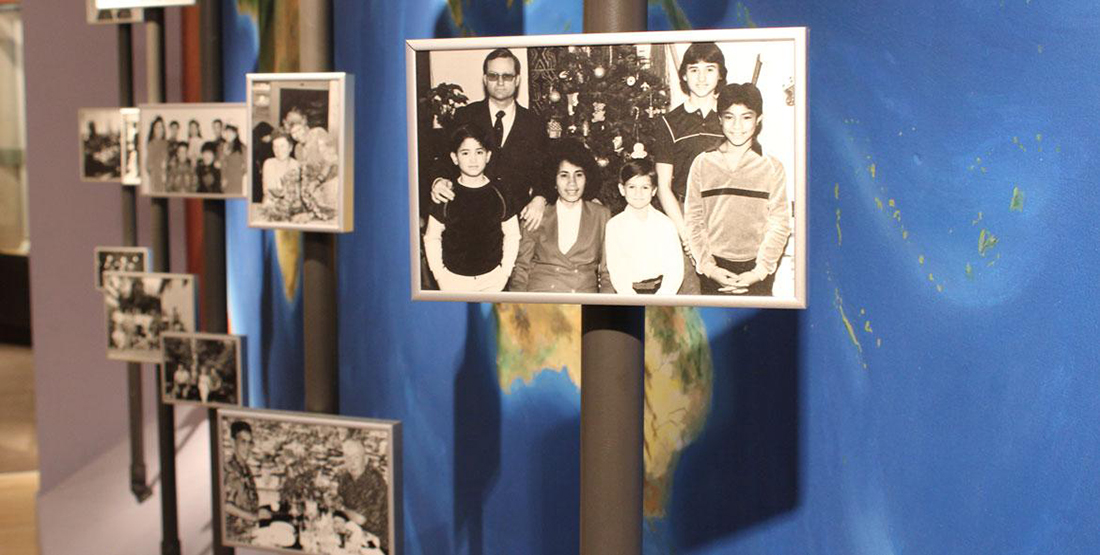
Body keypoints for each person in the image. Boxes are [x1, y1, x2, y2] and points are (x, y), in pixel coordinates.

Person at [684, 82, 791, 296]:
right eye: (730, 117)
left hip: (757, 273)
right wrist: (709, 267)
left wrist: (759, 272)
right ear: (720, 119)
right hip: (714, 271)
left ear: (758, 119)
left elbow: (779, 224)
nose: (737, 126)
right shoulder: (702, 163)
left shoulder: (772, 167)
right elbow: (694, 221)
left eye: (746, 117)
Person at [430, 48, 551, 232]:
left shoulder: (534, 124)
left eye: (507, 76)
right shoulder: (465, 116)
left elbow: (545, 170)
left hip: (516, 223)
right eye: (493, 76)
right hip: (467, 218)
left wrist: (540, 197)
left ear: (517, 80)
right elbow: (444, 160)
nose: (500, 82)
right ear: (485, 79)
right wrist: (438, 181)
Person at [653, 42, 729, 294]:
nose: (701, 77)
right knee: (690, 298)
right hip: (684, 218)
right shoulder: (669, 122)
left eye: (709, 69)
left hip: (724, 216)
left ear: (720, 74)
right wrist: (686, 235)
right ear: (684, 75)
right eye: (694, 70)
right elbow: (663, 187)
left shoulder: (732, 119)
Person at [423, 124, 520, 292]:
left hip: (492, 279)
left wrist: (504, 273)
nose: (473, 159)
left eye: (479, 152)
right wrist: (439, 274)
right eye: (465, 153)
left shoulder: (500, 193)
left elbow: (512, 235)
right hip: (453, 280)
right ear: (454, 158)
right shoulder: (445, 193)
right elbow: (432, 237)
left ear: (488, 156)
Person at [511, 140, 610, 293]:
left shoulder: (601, 215)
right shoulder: (537, 212)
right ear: (554, 181)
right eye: (564, 175)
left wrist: (605, 308)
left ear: (587, 178)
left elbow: (607, 272)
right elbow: (521, 268)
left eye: (579, 175)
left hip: (582, 298)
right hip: (541, 297)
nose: (572, 183)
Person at [604, 159, 683, 295]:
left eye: (645, 187)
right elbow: (616, 269)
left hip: (662, 293)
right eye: (632, 187)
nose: (638, 193)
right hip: (628, 295)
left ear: (654, 191)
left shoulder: (666, 224)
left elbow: (675, 269)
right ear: (622, 189)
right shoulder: (614, 226)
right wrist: (631, 298)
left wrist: (662, 297)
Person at [336, 439, 388, 554]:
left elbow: (360, 518)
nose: (352, 462)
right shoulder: (346, 478)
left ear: (365, 459)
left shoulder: (375, 480)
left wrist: (341, 508)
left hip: (379, 543)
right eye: (348, 458)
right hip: (355, 535)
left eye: (356, 457)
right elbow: (339, 497)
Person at [224, 421, 270, 541]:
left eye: (249, 443)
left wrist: (258, 512)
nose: (247, 448)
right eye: (243, 442)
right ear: (233, 443)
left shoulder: (244, 466)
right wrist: (253, 517)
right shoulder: (228, 469)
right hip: (237, 536)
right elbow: (225, 505)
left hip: (252, 529)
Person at [260, 131, 300, 215]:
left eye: (282, 146)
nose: (278, 150)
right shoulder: (268, 163)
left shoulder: (296, 164)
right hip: (271, 206)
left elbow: (297, 193)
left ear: (290, 148)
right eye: (275, 147)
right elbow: (269, 190)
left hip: (291, 208)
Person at [220, 124, 247, 195]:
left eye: (230, 132)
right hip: (224, 178)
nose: (228, 134)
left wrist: (239, 173)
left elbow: (247, 167)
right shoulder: (223, 146)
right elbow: (221, 164)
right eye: (226, 132)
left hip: (236, 179)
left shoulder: (242, 148)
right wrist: (223, 178)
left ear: (235, 134)